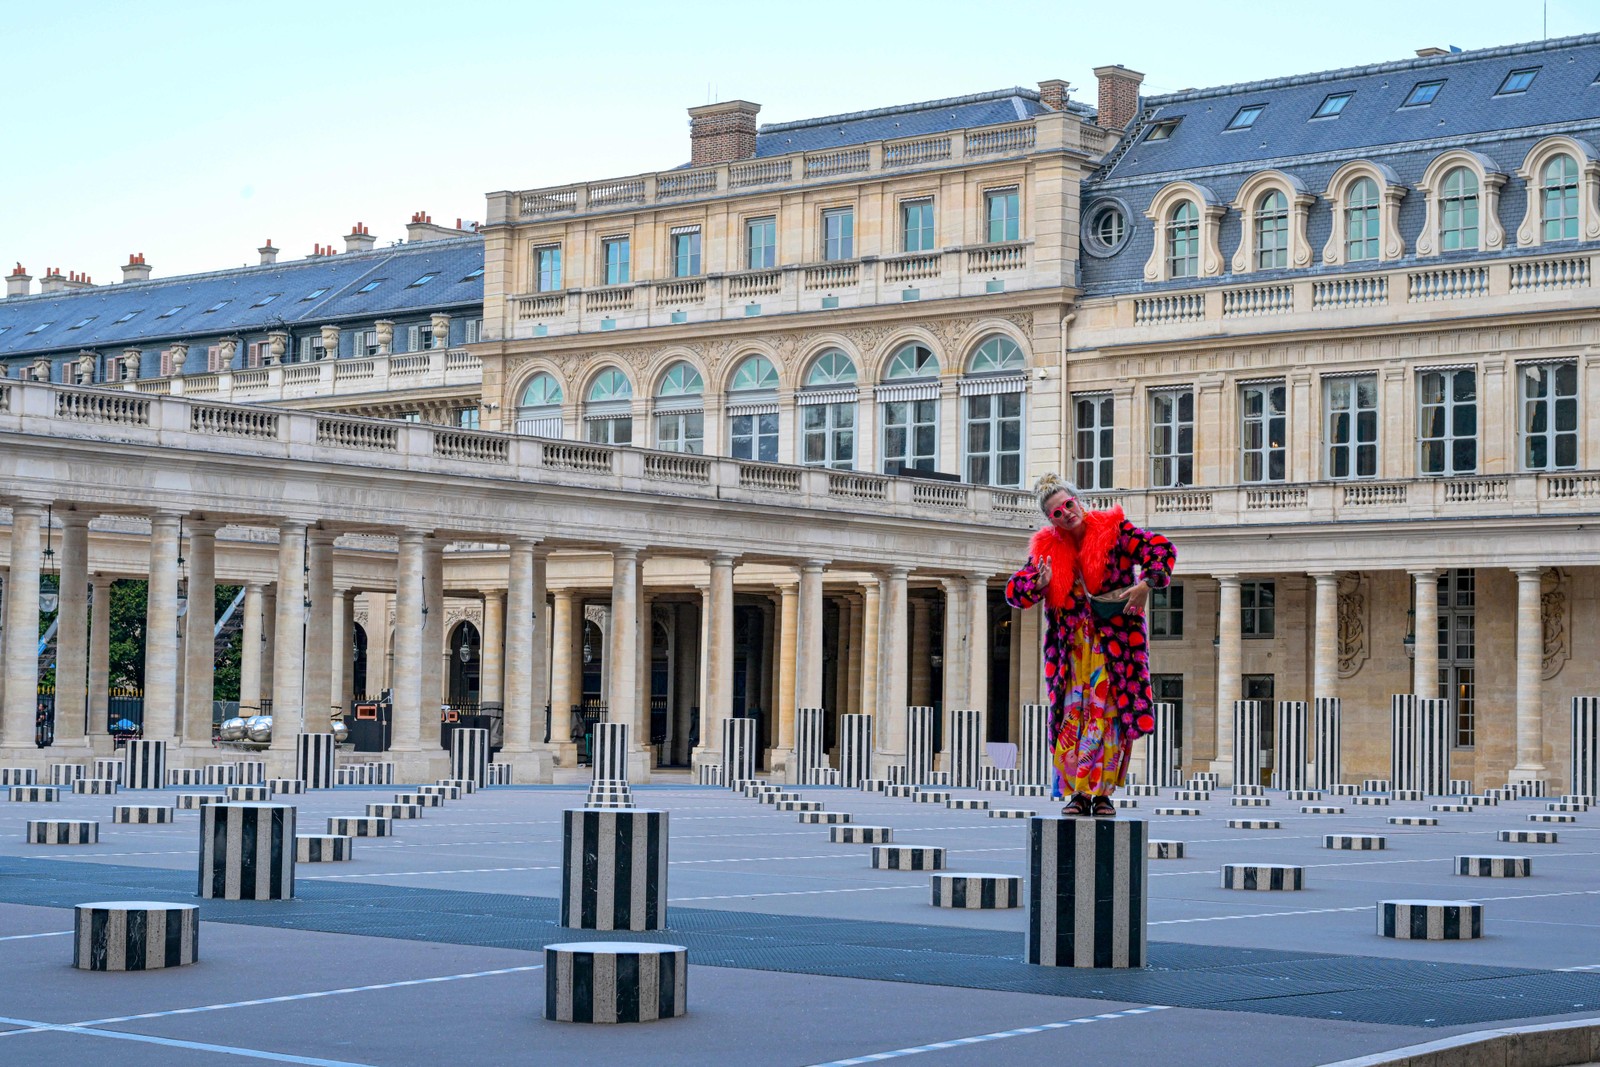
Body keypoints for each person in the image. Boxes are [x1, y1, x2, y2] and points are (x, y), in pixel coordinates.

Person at [1005, 474, 1176, 817]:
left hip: (1114, 647)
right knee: (1074, 718)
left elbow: (1161, 549)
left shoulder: (1114, 529)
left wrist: (1146, 584)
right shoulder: (1046, 550)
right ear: (1050, 520)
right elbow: (1014, 592)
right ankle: (1078, 793)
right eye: (1057, 512)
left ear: (1078, 501)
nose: (1066, 513)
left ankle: (1102, 794)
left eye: (1069, 504)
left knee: (1108, 716)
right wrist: (1038, 585)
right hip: (1072, 652)